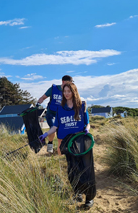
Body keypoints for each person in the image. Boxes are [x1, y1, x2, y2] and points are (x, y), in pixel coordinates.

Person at [38, 81, 93, 209]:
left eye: (69, 91)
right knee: (72, 170)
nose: (67, 94)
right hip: (68, 143)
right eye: (65, 91)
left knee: (86, 169)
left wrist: (87, 129)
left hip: (81, 141)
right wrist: (46, 135)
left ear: (74, 92)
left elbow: (87, 122)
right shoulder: (60, 108)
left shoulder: (82, 106)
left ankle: (89, 198)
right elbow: (55, 126)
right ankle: (77, 193)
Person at [37, 75, 74, 154]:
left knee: (62, 131)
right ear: (63, 82)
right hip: (51, 113)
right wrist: (38, 104)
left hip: (61, 114)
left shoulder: (69, 91)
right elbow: (43, 97)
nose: (70, 85)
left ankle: (61, 149)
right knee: (53, 129)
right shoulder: (53, 89)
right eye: (69, 83)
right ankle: (50, 143)